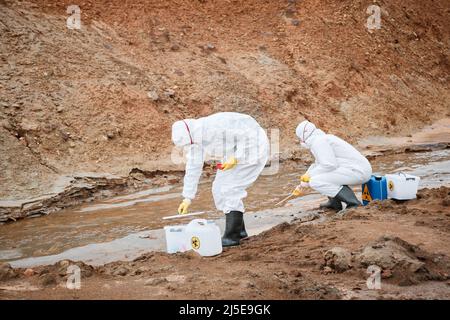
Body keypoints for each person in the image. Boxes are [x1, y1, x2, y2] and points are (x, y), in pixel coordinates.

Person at [171, 112, 269, 247]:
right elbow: (193, 167)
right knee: (218, 189)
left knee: (230, 189)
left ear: (192, 134)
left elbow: (249, 135)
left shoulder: (216, 125)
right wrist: (187, 197)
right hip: (232, 154)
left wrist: (237, 157)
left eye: (190, 143)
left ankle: (232, 237)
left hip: (253, 148)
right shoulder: (195, 141)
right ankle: (240, 232)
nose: (191, 146)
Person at [294, 120, 372, 211]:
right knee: (320, 176)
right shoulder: (320, 139)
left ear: (303, 136)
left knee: (315, 181)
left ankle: (354, 204)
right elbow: (319, 164)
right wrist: (305, 177)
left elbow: (329, 165)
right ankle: (334, 203)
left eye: (299, 138)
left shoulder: (319, 142)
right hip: (356, 169)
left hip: (358, 171)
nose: (300, 140)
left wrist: (309, 176)